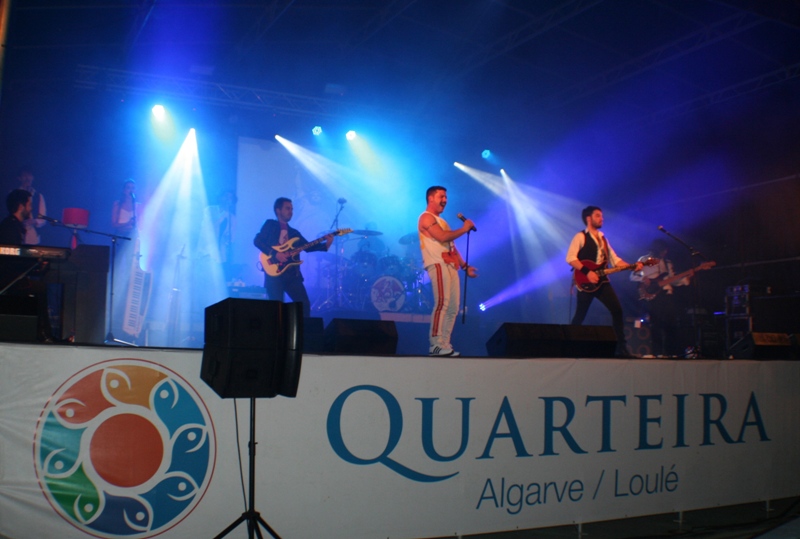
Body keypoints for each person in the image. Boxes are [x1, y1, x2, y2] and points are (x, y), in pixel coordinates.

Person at [566, 206, 642, 358]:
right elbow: (570, 258)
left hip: (602, 281)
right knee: (580, 315)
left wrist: (632, 266)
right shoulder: (580, 236)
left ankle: (621, 348)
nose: (602, 218)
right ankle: (568, 347)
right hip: (585, 281)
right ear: (589, 218)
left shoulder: (603, 239)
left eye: (601, 216)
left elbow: (615, 260)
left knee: (617, 310)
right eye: (598, 216)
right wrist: (588, 272)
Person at [418, 186, 478, 357]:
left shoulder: (442, 221)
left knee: (453, 308)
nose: (445, 200)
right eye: (441, 196)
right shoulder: (426, 217)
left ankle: (444, 343)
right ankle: (435, 344)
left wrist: (465, 266)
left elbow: (451, 246)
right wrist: (464, 229)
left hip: (451, 265)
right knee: (442, 303)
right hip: (437, 263)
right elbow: (442, 237)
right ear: (431, 198)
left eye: (446, 197)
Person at [254, 197, 333, 317]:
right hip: (274, 274)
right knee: (276, 309)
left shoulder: (294, 233)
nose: (291, 211)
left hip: (292, 275)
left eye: (291, 209)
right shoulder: (270, 225)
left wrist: (326, 244)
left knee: (304, 305)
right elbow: (257, 241)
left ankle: (303, 328)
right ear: (278, 210)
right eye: (287, 208)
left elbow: (308, 247)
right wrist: (275, 254)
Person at [0, 189, 55, 342]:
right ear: (21, 206)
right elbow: (12, 257)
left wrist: (34, 262)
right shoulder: (10, 227)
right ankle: (44, 334)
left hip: (11, 276)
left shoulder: (12, 225)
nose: (31, 209)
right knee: (40, 288)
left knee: (39, 286)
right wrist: (35, 261)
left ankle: (43, 333)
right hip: (8, 279)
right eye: (29, 205)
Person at [630, 239, 691, 357]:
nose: (665, 253)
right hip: (653, 294)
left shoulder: (668, 263)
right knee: (656, 323)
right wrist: (643, 279)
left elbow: (671, 279)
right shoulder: (646, 260)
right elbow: (632, 276)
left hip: (667, 294)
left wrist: (684, 280)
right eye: (663, 250)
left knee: (671, 323)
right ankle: (656, 352)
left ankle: (670, 352)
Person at [16, 168, 46, 245]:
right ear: (19, 178)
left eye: (29, 175)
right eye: (24, 176)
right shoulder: (14, 194)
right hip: (17, 234)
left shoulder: (38, 196)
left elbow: (43, 218)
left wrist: (34, 221)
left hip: (33, 237)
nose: (27, 178)